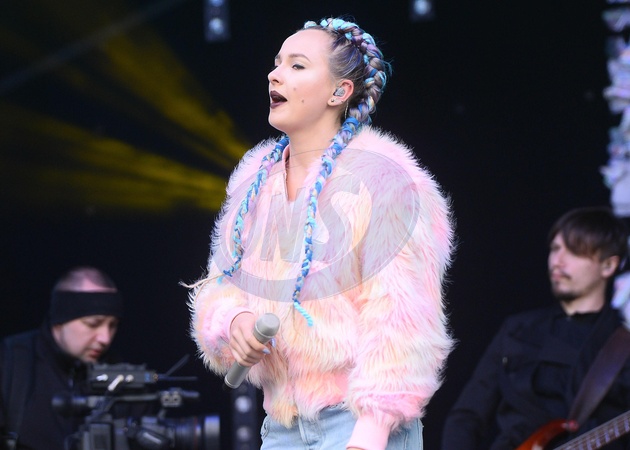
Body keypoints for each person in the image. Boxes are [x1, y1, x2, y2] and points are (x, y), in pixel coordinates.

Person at [189, 17, 455, 450]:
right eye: (277, 63)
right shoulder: (255, 181)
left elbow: (404, 320)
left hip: (357, 427)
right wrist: (233, 321)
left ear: (339, 92)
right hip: (281, 429)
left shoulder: (388, 181)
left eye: (297, 65)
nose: (274, 74)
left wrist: (370, 434)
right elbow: (218, 284)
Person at [441, 206, 630, 450]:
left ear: (608, 266)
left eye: (575, 251)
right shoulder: (518, 330)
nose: (558, 261)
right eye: (555, 248)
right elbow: (467, 417)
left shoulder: (622, 344)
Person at [0, 266, 124, 450]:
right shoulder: (11, 362)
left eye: (112, 325)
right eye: (93, 324)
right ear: (60, 320)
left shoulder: (121, 377)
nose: (105, 338)